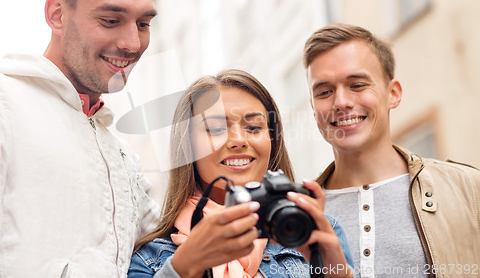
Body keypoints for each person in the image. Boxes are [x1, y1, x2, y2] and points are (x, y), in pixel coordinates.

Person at [0, 0, 160, 277]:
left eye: (144, 23)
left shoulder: (124, 157)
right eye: (110, 20)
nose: (133, 43)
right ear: (57, 15)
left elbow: (178, 247)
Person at [128, 69, 354, 278]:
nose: (238, 140)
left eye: (254, 128)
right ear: (187, 149)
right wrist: (185, 266)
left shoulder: (316, 232)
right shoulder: (149, 260)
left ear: (272, 141)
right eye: (216, 129)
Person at [302, 23, 480, 277]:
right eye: (325, 92)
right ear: (313, 105)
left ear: (393, 93)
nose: (341, 102)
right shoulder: (298, 215)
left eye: (357, 85)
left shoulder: (469, 190)